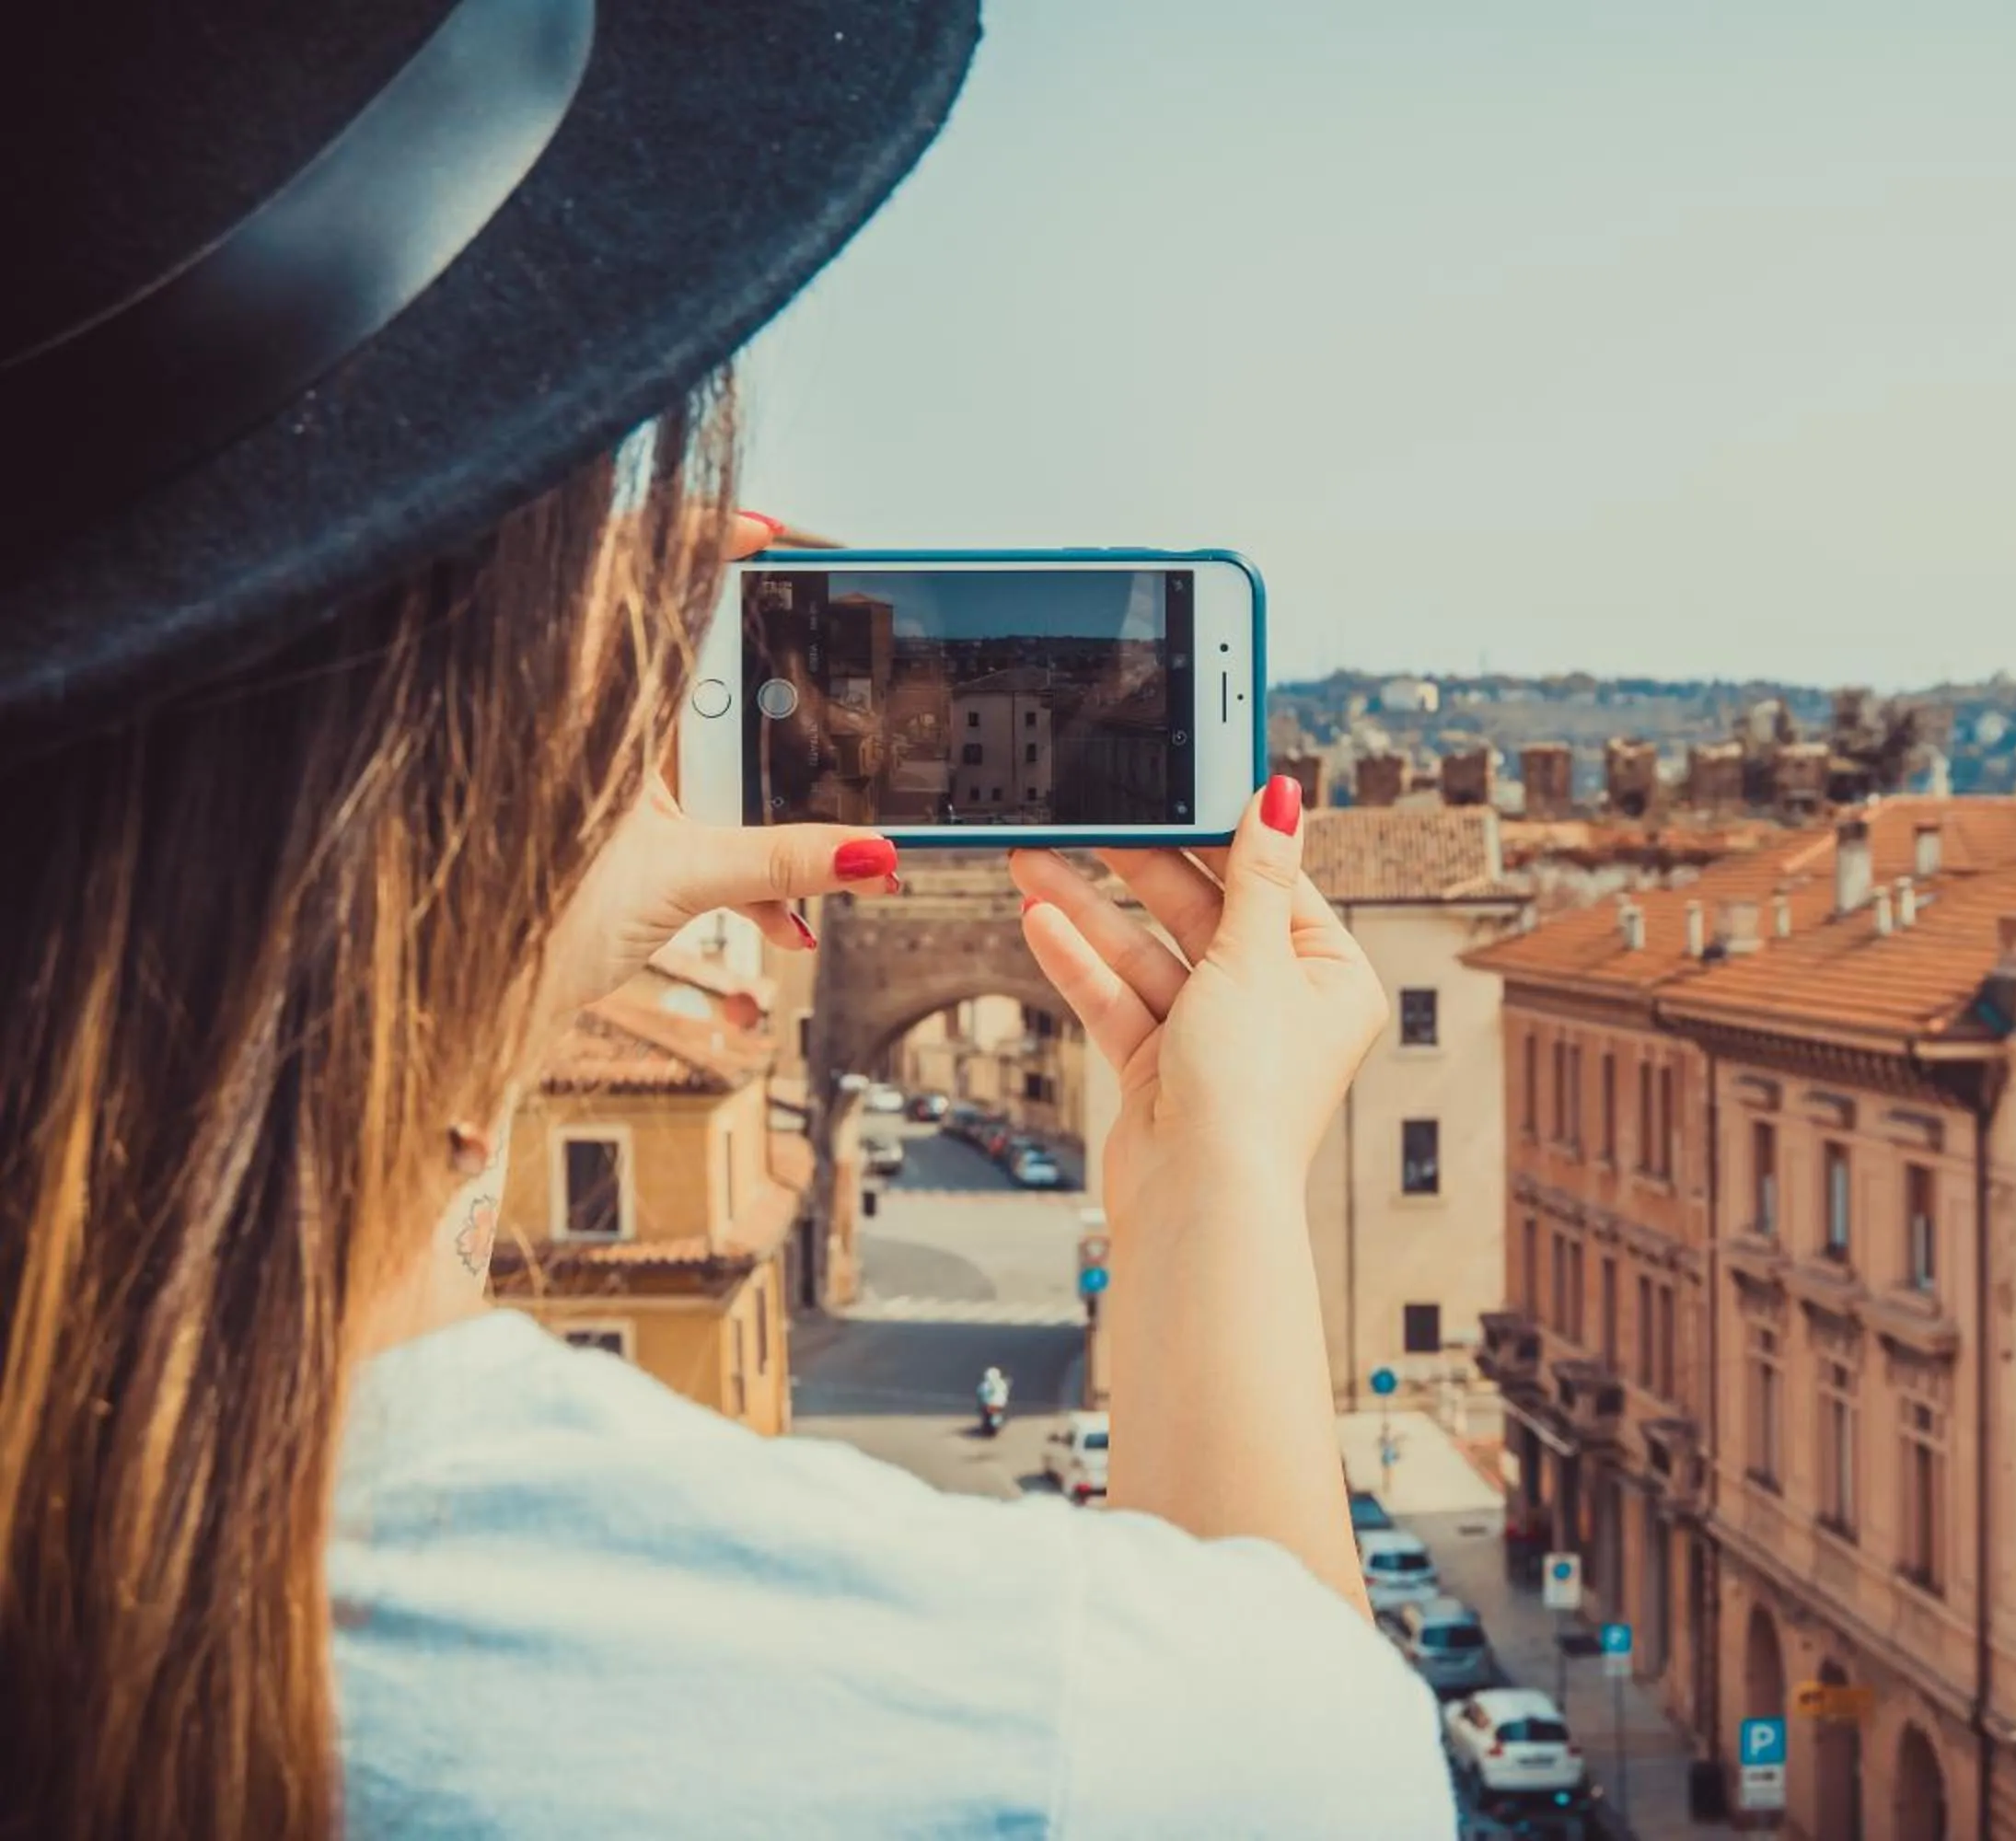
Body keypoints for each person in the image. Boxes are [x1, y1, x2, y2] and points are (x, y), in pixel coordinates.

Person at [0, 6, 1452, 1839]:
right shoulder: (943, 1711)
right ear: (459, 707)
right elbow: (1307, 1760)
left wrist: (447, 959)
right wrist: (1207, 1162)